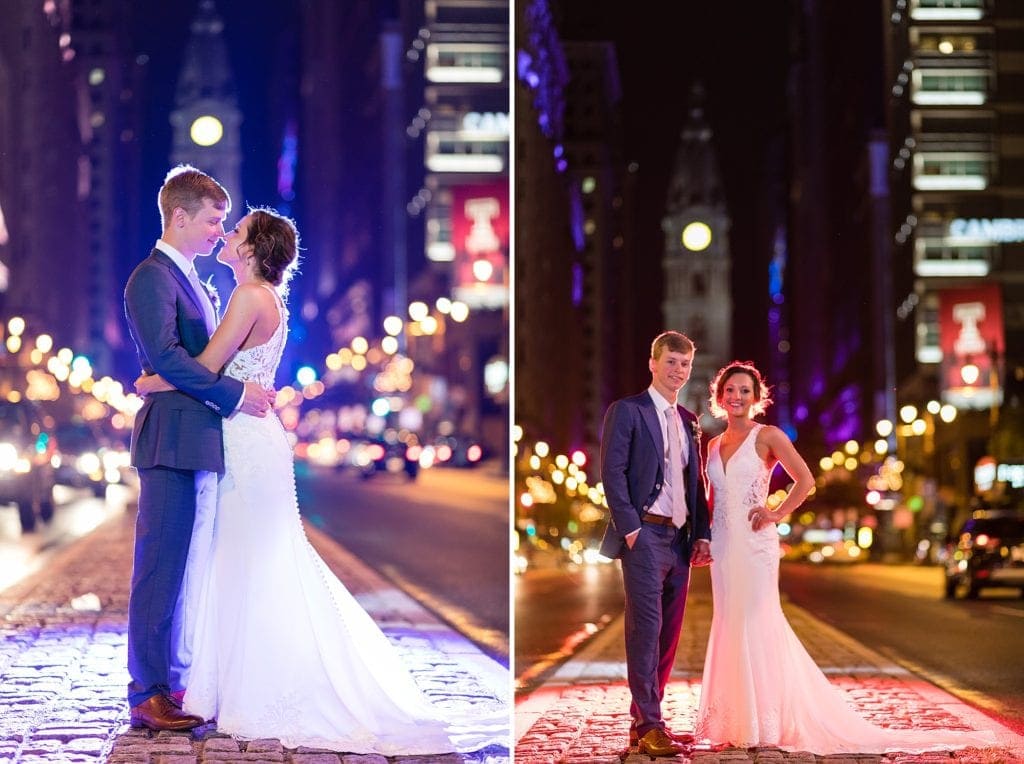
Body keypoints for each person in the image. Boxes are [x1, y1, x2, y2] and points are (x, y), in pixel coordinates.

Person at [135, 207, 495, 755]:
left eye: (234, 231)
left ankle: (260, 688)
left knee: (249, 564)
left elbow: (205, 367)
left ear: (253, 249)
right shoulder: (264, 299)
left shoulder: (248, 297)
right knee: (251, 563)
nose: (226, 236)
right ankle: (238, 683)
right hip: (251, 439)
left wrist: (150, 381)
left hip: (246, 442)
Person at [694, 361, 998, 753]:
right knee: (729, 622)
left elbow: (805, 479)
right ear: (720, 396)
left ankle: (765, 721)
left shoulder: (767, 436)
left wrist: (775, 512)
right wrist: (702, 539)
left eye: (745, 391)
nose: (737, 397)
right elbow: (710, 499)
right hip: (723, 547)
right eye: (730, 390)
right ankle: (734, 721)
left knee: (757, 620)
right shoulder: (713, 445)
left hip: (755, 545)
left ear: (756, 398)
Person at [123, 166, 274, 731]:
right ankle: (148, 693)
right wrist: (237, 394)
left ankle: (173, 679)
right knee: (158, 569)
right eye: (213, 221)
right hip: (169, 441)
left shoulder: (196, 281)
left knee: (182, 571)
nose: (220, 230)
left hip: (196, 441)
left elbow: (192, 361)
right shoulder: (152, 277)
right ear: (179, 217)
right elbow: (165, 357)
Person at [598, 331, 712, 757]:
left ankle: (647, 721)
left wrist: (702, 533)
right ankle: (649, 723)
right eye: (671, 362)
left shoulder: (688, 420)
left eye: (684, 364)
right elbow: (613, 471)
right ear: (653, 363)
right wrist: (631, 529)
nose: (678, 370)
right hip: (645, 535)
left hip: (680, 541)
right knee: (645, 632)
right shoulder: (627, 411)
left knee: (668, 636)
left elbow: (694, 483)